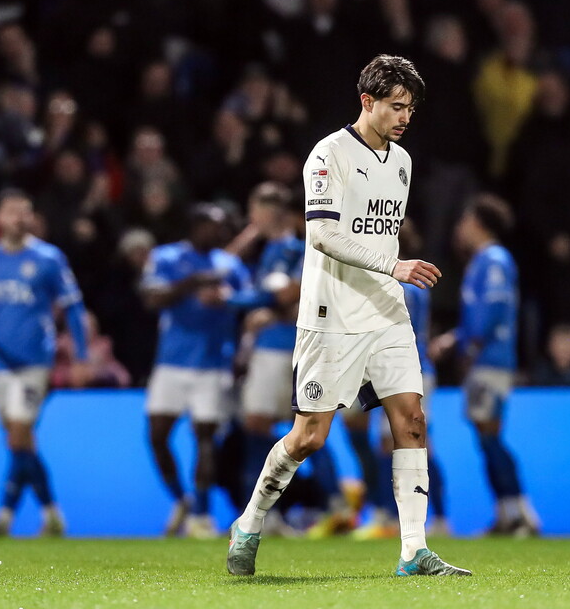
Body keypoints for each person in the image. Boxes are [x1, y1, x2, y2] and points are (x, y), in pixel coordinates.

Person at [227, 54, 470, 577]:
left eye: (411, 108)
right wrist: (395, 264)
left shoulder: (402, 163)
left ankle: (413, 550)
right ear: (367, 101)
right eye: (395, 106)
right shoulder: (329, 154)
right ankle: (249, 522)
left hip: (386, 310)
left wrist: (391, 274)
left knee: (411, 420)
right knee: (309, 437)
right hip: (330, 313)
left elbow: (378, 232)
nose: (405, 117)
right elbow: (323, 235)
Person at [0, 189, 89, 536]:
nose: (19, 218)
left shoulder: (48, 258)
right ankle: (51, 513)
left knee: (18, 436)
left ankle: (4, 517)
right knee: (21, 441)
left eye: (25, 212)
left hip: (34, 361)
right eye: (12, 212)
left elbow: (73, 306)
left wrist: (81, 353)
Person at [233, 181, 350, 537]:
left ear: (269, 213)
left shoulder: (294, 249)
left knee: (280, 427)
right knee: (298, 430)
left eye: (255, 211)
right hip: (286, 348)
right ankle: (318, 507)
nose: (252, 219)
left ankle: (281, 512)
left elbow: (290, 293)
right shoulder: (272, 250)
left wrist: (238, 303)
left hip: (286, 348)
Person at [141, 203, 253, 538]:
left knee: (205, 436)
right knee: (157, 436)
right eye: (212, 225)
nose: (218, 232)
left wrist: (227, 299)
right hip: (171, 362)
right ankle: (181, 499)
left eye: (221, 226)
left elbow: (249, 300)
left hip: (212, 362)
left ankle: (201, 515)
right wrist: (191, 284)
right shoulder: (168, 257)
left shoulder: (228, 264)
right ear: (195, 226)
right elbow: (152, 298)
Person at [431, 194, 540, 536]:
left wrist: (472, 345)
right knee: (485, 435)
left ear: (478, 223)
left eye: (465, 221)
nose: (460, 229)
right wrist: (457, 339)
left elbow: (491, 311)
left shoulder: (494, 260)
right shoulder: (482, 260)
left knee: (491, 434)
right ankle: (506, 513)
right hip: (484, 358)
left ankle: (521, 512)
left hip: (491, 360)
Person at [352, 221, 450, 539]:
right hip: (414, 370)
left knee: (399, 445)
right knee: (413, 445)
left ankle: (391, 516)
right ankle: (432, 517)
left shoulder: (400, 285)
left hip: (405, 372)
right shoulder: (414, 283)